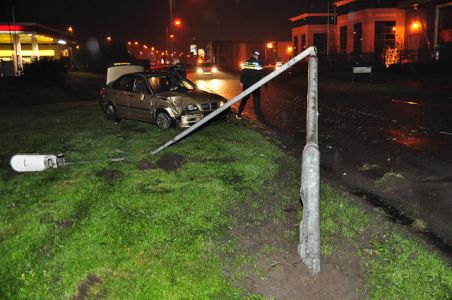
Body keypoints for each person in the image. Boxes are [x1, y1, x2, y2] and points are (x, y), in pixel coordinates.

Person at [237, 50, 265, 122]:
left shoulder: (246, 62)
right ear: (256, 56)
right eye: (258, 56)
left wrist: (241, 81)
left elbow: (243, 72)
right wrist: (264, 82)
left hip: (246, 84)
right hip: (255, 84)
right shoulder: (258, 63)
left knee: (244, 99)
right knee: (256, 99)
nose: (258, 57)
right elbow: (261, 73)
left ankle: (239, 113)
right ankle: (258, 116)